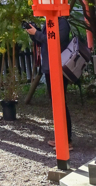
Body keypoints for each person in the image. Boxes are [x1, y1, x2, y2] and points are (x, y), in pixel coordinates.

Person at [26, 15, 73, 149]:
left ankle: (67, 139)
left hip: (59, 66)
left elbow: (55, 40)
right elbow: (42, 41)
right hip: (48, 66)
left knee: (60, 103)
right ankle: (60, 137)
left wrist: (37, 34)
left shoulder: (62, 22)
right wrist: (33, 33)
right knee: (55, 102)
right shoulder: (49, 21)